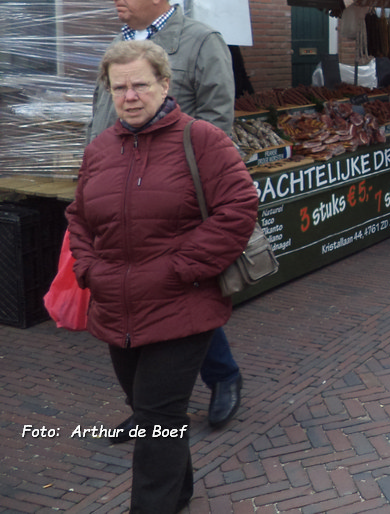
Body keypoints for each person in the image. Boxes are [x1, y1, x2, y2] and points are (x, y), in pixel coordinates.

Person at [67, 40, 257, 513]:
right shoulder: (100, 150)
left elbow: (238, 208)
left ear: (165, 84)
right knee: (154, 411)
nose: (130, 96)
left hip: (181, 303)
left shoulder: (202, 140)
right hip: (116, 307)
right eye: (119, 87)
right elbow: (79, 218)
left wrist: (181, 269)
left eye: (140, 85)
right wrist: (89, 269)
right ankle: (180, 491)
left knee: (154, 416)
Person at [87, 0, 244, 436]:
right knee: (140, 299)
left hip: (173, 204)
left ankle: (221, 378)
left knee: (181, 295)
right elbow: (100, 117)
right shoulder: (119, 44)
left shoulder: (201, 42)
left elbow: (218, 120)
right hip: (119, 193)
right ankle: (150, 405)